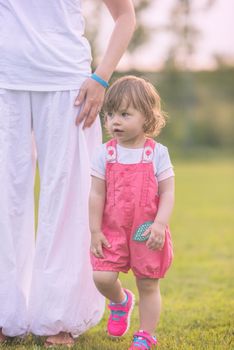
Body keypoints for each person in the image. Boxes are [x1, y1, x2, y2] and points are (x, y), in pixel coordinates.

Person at [0, 0, 135, 347]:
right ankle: (5, 313)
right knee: (4, 199)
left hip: (68, 86)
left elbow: (125, 15)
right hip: (3, 82)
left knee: (66, 202)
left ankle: (59, 315)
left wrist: (101, 77)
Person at [89, 76, 175, 349]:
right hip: (111, 229)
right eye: (110, 114)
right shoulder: (105, 154)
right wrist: (95, 230)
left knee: (148, 282)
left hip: (145, 230)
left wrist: (160, 225)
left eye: (125, 114)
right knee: (101, 276)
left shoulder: (157, 153)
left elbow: (168, 192)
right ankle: (120, 301)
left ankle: (145, 335)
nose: (115, 121)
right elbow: (96, 193)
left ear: (147, 117)